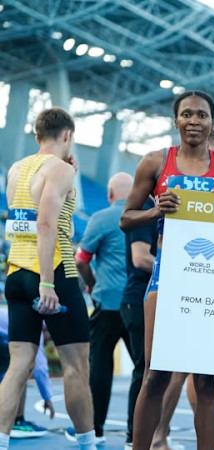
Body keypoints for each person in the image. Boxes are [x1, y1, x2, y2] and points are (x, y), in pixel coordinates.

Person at [120, 90, 214, 450]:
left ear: (211, 122)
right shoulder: (155, 162)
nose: (194, 121)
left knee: (207, 380)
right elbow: (126, 219)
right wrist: (155, 211)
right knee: (155, 375)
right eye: (186, 114)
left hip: (212, 281)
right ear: (176, 120)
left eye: (201, 115)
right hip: (166, 275)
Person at [0, 107, 98, 450]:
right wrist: (47, 283)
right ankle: (88, 442)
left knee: (18, 365)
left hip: (16, 273)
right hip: (53, 273)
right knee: (75, 366)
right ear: (68, 136)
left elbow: (23, 220)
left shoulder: (15, 169)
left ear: (37, 135)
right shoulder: (59, 170)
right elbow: (45, 224)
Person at [68, 172, 134, 444]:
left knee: (99, 369)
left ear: (109, 194)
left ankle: (95, 429)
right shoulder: (148, 217)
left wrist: (92, 284)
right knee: (144, 370)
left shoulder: (102, 218)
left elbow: (81, 259)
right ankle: (137, 433)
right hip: (138, 304)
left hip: (106, 301)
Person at [119, 195, 158, 449]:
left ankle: (146, 436)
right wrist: (182, 270)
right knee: (146, 371)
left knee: (151, 371)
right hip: (138, 298)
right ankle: (135, 437)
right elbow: (141, 258)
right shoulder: (146, 208)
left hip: (144, 297)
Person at [0, 309, 54, 439]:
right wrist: (47, 398)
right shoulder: (35, 329)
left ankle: (10, 420)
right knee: (21, 370)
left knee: (9, 371)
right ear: (46, 330)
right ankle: (17, 421)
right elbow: (39, 368)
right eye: (50, 337)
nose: (49, 340)